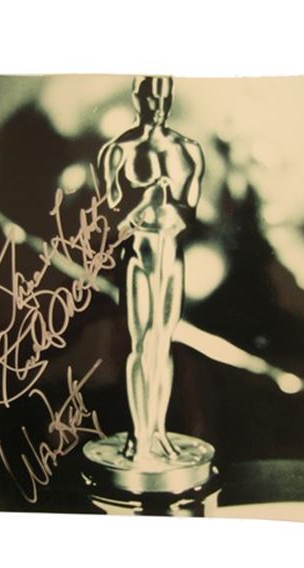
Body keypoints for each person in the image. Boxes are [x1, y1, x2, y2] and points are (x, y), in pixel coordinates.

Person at [98, 75, 205, 461]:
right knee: (141, 343)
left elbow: (191, 210)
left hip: (171, 252)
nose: (158, 107)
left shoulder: (188, 150)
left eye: (164, 98)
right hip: (139, 253)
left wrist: (170, 198)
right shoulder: (119, 150)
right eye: (150, 98)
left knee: (163, 343)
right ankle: (138, 434)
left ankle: (156, 430)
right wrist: (146, 200)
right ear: (137, 97)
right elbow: (109, 218)